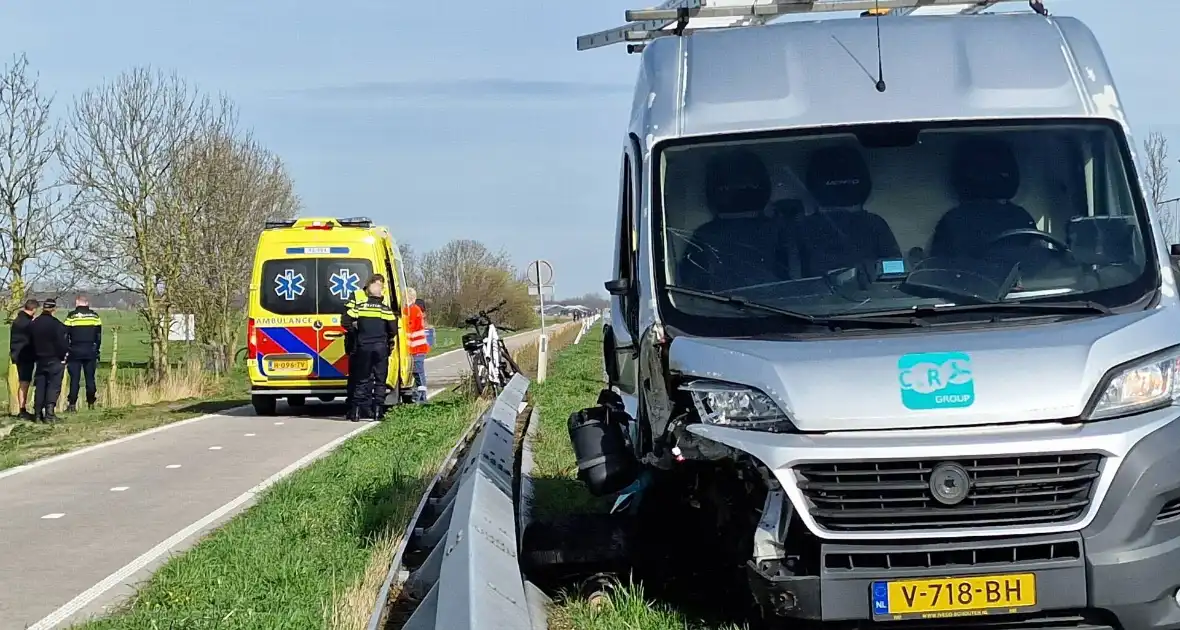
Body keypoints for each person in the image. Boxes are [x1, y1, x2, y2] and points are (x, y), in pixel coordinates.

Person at [343, 275, 397, 422]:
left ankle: (355, 412)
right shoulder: (384, 309)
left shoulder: (360, 307)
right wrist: (386, 334)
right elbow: (393, 328)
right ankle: (378, 412)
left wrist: (356, 332)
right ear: (380, 293)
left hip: (363, 347)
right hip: (380, 348)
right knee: (380, 380)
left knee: (361, 379)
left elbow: (345, 320)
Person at [28, 298, 68, 423]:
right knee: (53, 386)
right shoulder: (57, 325)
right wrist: (63, 357)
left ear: (43, 308)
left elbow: (29, 342)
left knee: (40, 386)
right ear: (54, 309)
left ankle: (38, 414)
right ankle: (49, 414)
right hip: (54, 359)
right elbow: (62, 343)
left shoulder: (34, 323)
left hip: (40, 359)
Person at [64, 296, 103, 412]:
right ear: (87, 303)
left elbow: (65, 335)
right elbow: (99, 336)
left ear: (77, 303)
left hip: (75, 350)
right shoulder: (95, 316)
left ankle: (72, 405)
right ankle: (91, 403)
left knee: (75, 379)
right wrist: (97, 349)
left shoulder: (71, 316)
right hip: (90, 350)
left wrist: (67, 349)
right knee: (90, 378)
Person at [8, 298, 39, 420]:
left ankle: (22, 408)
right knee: (24, 382)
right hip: (25, 355)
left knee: (23, 381)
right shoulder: (28, 323)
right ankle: (22, 409)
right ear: (34, 309)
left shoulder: (17, 320)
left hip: (17, 354)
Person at [405, 287, 430, 403]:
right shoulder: (412, 310)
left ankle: (422, 398)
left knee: (418, 373)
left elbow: (408, 327)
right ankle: (418, 396)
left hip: (417, 348)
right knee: (417, 374)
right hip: (415, 348)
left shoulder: (413, 311)